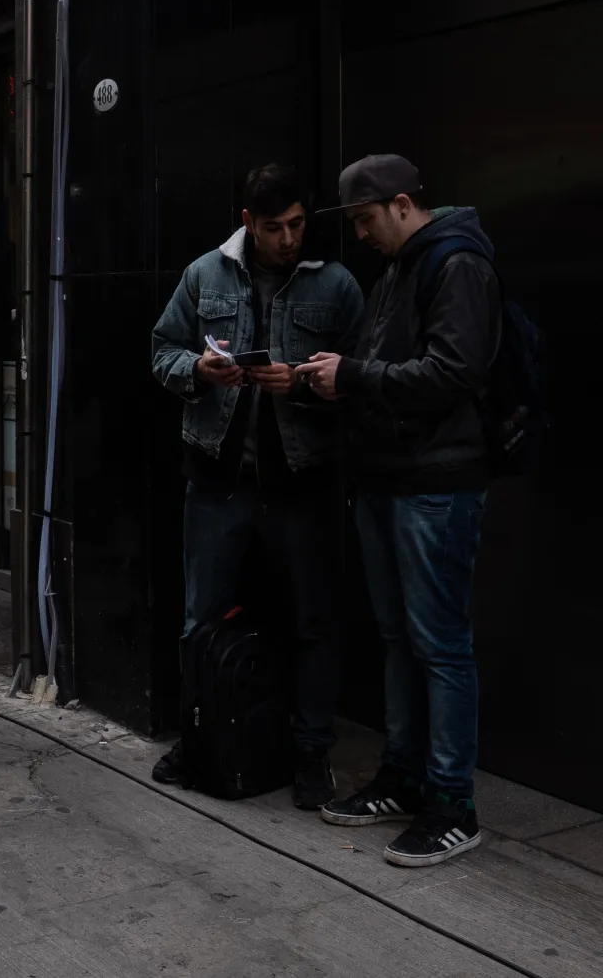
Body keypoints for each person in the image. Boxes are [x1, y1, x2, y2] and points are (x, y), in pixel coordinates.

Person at [295, 154, 500, 868]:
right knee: (398, 636)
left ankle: (452, 803)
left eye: (365, 219)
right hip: (390, 477)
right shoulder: (400, 268)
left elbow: (453, 372)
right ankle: (405, 776)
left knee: (439, 643)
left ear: (404, 203)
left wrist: (352, 374)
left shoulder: (456, 264)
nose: (361, 234)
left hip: (437, 482)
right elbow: (393, 369)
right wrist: (335, 374)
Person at [147, 164, 366, 805]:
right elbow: (161, 351)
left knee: (313, 620)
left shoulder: (338, 284)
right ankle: (198, 741)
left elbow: (364, 376)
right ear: (248, 224)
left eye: (298, 225)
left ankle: (310, 753)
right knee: (200, 620)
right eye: (274, 228)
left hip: (303, 482)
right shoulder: (203, 274)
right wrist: (200, 369)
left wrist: (302, 382)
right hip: (219, 480)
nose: (289, 239)